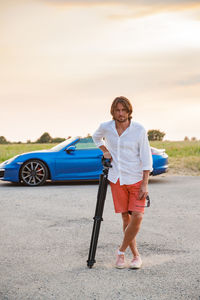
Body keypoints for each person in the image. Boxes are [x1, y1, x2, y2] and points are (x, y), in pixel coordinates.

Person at [92, 96, 153, 269]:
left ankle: (120, 251)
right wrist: (105, 150)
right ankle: (135, 256)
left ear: (129, 111)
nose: (121, 114)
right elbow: (95, 137)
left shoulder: (139, 129)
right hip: (117, 178)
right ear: (113, 112)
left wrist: (145, 183)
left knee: (138, 216)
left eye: (123, 110)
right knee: (125, 218)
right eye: (117, 110)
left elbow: (146, 157)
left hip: (136, 178)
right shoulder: (106, 127)